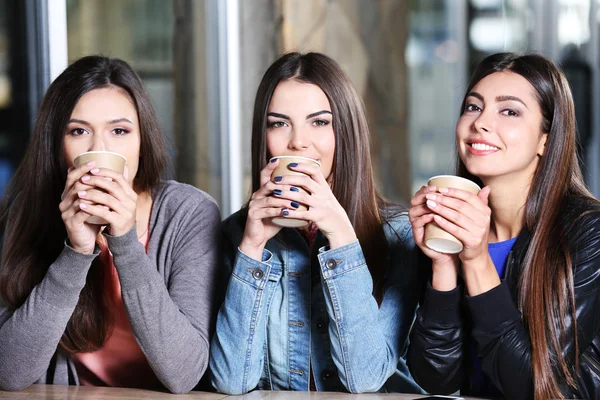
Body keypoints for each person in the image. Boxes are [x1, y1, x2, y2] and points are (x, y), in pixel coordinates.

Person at [0, 56, 221, 393]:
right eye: (78, 131)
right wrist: (76, 252)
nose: (99, 149)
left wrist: (125, 242)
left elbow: (184, 373)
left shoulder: (188, 213)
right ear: (58, 147)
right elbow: (8, 372)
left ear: (141, 143)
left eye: (119, 131)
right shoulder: (29, 211)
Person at [209, 52, 423, 395]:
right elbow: (231, 382)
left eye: (319, 122)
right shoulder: (236, 234)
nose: (298, 141)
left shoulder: (398, 236)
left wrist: (340, 234)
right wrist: (251, 249)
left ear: (345, 132)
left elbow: (365, 378)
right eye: (278, 123)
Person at [407, 52, 600, 400]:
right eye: (472, 107)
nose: (480, 122)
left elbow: (533, 387)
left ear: (546, 138)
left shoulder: (588, 233)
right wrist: (443, 263)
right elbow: (437, 380)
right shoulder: (455, 227)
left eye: (509, 111)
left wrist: (477, 260)